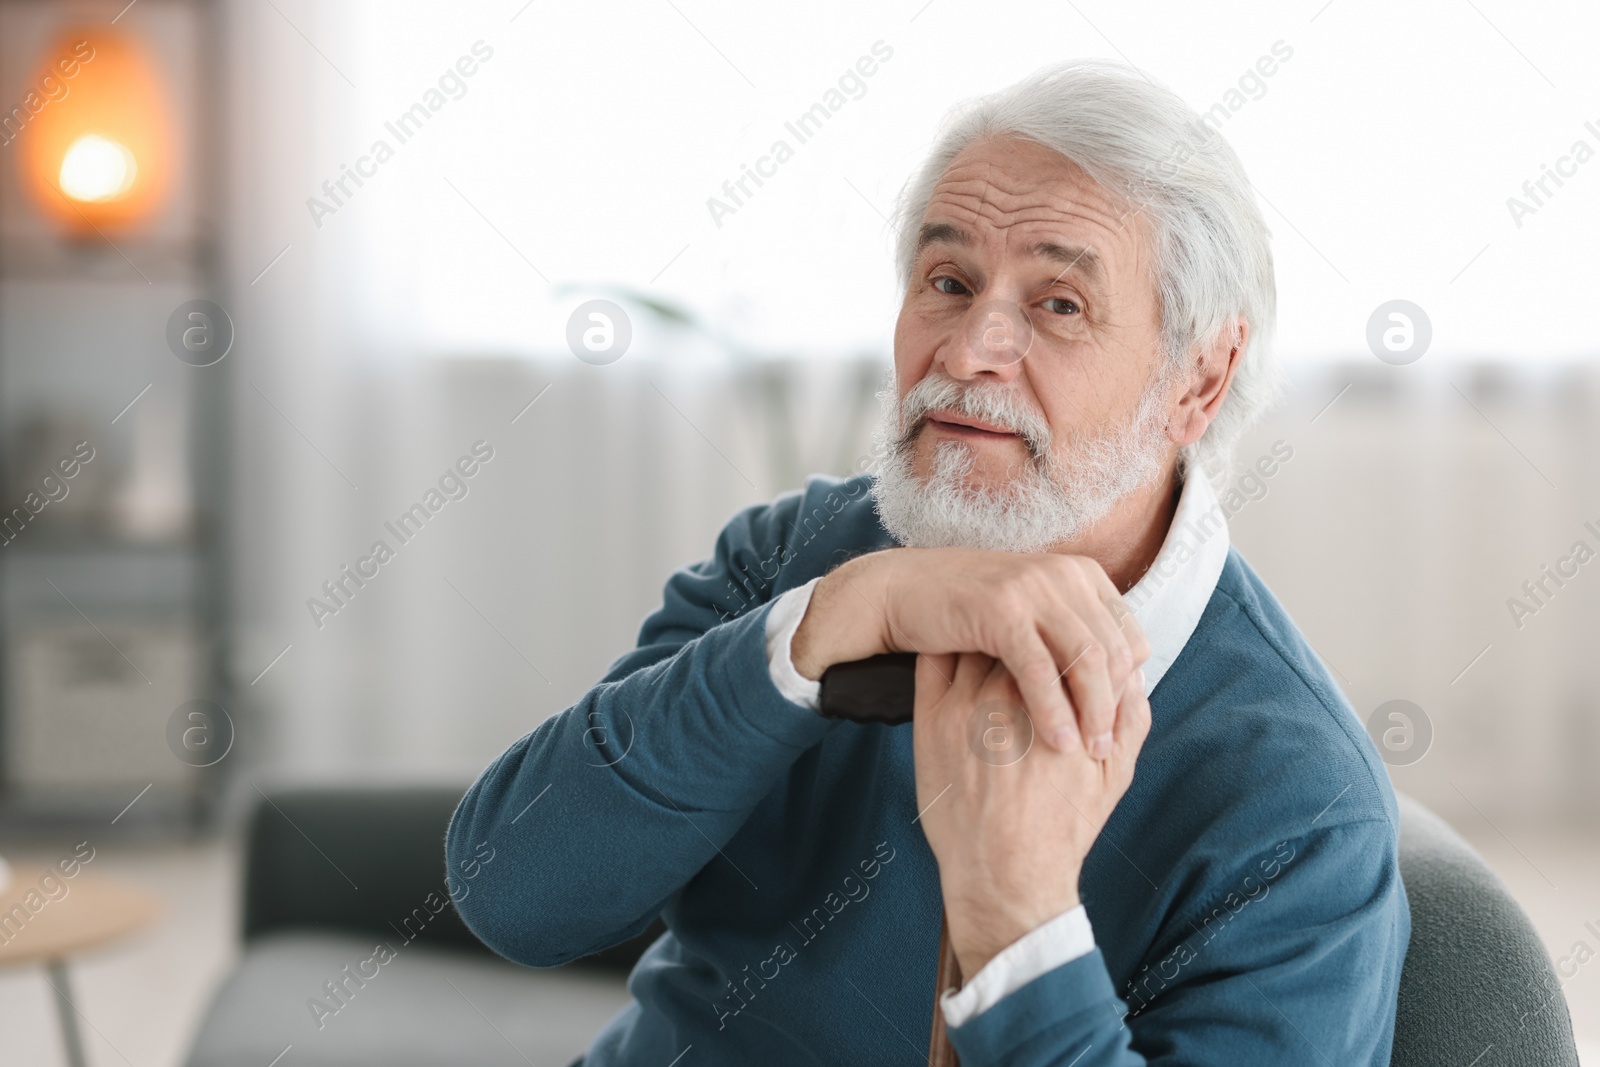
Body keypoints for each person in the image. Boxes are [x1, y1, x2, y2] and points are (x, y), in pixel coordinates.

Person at [447, 58, 1409, 1066]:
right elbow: (511, 890)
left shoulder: (1300, 801)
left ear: (1198, 378)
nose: (967, 349)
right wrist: (822, 628)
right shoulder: (800, 556)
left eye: (1059, 304)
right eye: (947, 283)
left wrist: (1015, 911)